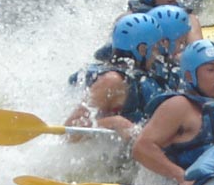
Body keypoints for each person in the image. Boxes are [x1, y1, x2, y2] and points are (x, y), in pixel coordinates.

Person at [133, 38, 214, 185]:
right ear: (189, 76)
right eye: (210, 69)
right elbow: (141, 148)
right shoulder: (179, 105)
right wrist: (182, 177)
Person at [66, 12, 165, 142]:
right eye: (155, 47)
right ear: (142, 50)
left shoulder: (140, 74)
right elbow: (69, 132)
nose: (157, 53)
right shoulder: (112, 81)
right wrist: (114, 122)